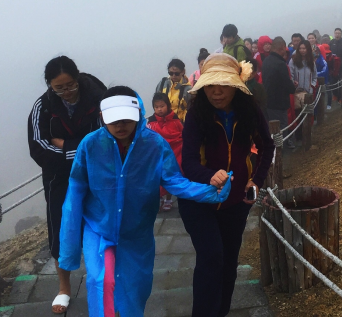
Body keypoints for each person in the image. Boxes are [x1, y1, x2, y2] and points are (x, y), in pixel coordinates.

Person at [59, 86, 230, 317]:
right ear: (102, 118)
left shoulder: (154, 145)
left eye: (127, 119)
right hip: (98, 228)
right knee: (102, 283)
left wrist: (210, 190)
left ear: (138, 114)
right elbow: (75, 193)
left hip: (136, 233)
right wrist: (68, 250)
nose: (120, 126)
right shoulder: (90, 145)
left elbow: (174, 181)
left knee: (135, 289)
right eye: (114, 120)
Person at [181, 55, 275, 317]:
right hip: (199, 199)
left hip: (235, 202)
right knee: (211, 257)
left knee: (229, 263)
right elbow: (188, 161)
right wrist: (209, 175)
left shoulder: (249, 111)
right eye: (210, 85)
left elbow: (267, 146)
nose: (217, 91)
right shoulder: (196, 113)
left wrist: (255, 179)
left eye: (224, 84)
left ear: (237, 85)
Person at [27, 56, 106, 314]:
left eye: (70, 85)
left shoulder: (98, 96)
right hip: (58, 178)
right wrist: (80, 148)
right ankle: (64, 288)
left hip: (98, 172)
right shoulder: (43, 106)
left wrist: (65, 145)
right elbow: (39, 147)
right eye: (58, 88)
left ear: (78, 77)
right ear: (49, 85)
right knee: (60, 227)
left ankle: (106, 280)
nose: (66, 92)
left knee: (103, 224)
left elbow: (107, 135)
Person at [147, 93, 184, 212]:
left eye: (162, 106)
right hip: (158, 154)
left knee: (171, 175)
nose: (159, 109)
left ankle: (169, 199)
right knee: (158, 175)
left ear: (167, 106)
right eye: (156, 107)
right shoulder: (151, 122)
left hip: (174, 153)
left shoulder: (175, 120)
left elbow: (182, 135)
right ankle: (160, 198)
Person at [261, 36, 296, 135]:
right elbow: (286, 84)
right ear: (281, 48)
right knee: (281, 129)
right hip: (279, 103)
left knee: (271, 129)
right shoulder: (280, 64)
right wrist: (293, 87)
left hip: (268, 101)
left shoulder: (266, 61)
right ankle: (281, 150)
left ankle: (274, 149)